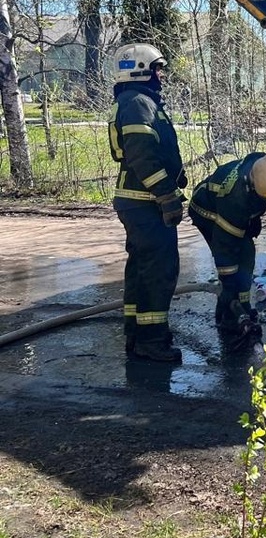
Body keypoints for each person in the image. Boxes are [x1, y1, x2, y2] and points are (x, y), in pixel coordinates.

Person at [108, 42, 186, 363]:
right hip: (145, 201)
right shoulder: (138, 102)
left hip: (137, 201)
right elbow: (143, 156)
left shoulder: (136, 101)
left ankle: (136, 332)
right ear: (142, 70)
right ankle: (152, 340)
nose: (161, 75)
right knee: (158, 270)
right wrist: (167, 197)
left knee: (141, 269)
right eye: (157, 69)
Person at [189, 153, 266, 351]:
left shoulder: (265, 166)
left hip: (233, 210)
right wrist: (228, 284)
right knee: (237, 258)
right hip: (207, 211)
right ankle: (230, 316)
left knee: (246, 255)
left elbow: (260, 200)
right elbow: (225, 246)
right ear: (252, 186)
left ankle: (242, 308)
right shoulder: (234, 200)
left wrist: (252, 218)